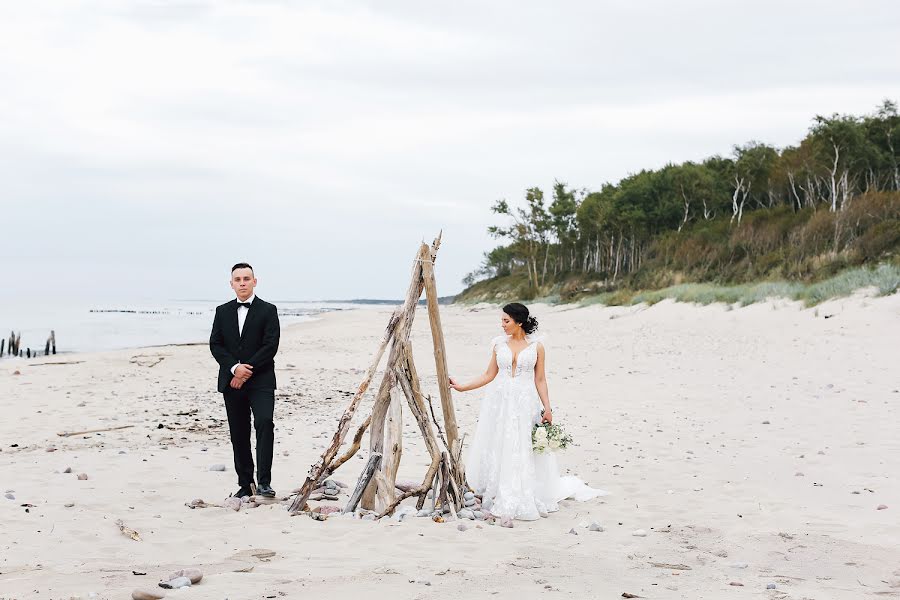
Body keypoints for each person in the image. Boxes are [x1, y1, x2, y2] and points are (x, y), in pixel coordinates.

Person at [449, 302, 606, 525]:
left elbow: (540, 379)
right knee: (498, 443)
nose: (502, 325)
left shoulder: (537, 347)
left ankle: (522, 491)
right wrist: (462, 387)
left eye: (506, 321)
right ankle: (495, 489)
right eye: (502, 320)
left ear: (519, 322)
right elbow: (488, 375)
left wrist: (548, 408)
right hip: (500, 402)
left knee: (522, 445)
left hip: (525, 402)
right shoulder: (497, 344)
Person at [209, 262, 281, 499]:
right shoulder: (222, 311)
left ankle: (264, 483)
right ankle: (245, 484)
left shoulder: (268, 310)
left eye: (246, 279)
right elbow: (215, 344)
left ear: (254, 281)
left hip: (261, 381)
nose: (242, 283)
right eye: (238, 279)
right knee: (239, 433)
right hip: (231, 382)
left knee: (264, 423)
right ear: (231, 284)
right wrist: (234, 369)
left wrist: (246, 370)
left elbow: (270, 345)